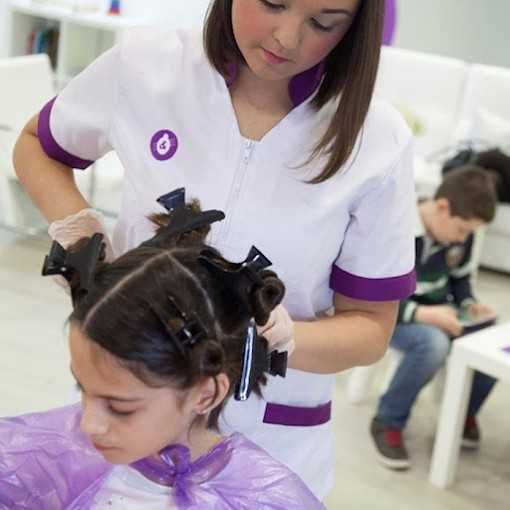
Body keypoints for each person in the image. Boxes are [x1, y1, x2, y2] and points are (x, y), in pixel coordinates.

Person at [13, 0, 417, 497]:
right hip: (125, 415)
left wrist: (286, 340)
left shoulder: (377, 140)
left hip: (272, 447)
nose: (286, 38)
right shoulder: (147, 66)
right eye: (273, 2)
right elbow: (38, 145)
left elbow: (371, 328)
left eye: (323, 23)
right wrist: (82, 236)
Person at [0, 192, 324, 509]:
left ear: (206, 394)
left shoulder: (261, 498)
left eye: (119, 407)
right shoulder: (45, 459)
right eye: (82, 388)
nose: (88, 424)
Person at [370, 166, 499, 470]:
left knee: (488, 340)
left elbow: (459, 278)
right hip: (391, 315)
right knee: (433, 344)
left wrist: (468, 303)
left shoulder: (460, 236)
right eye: (462, 230)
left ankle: (462, 413)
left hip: (438, 311)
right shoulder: (397, 228)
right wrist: (422, 313)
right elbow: (374, 293)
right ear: (442, 207)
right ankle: (387, 420)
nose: (464, 238)